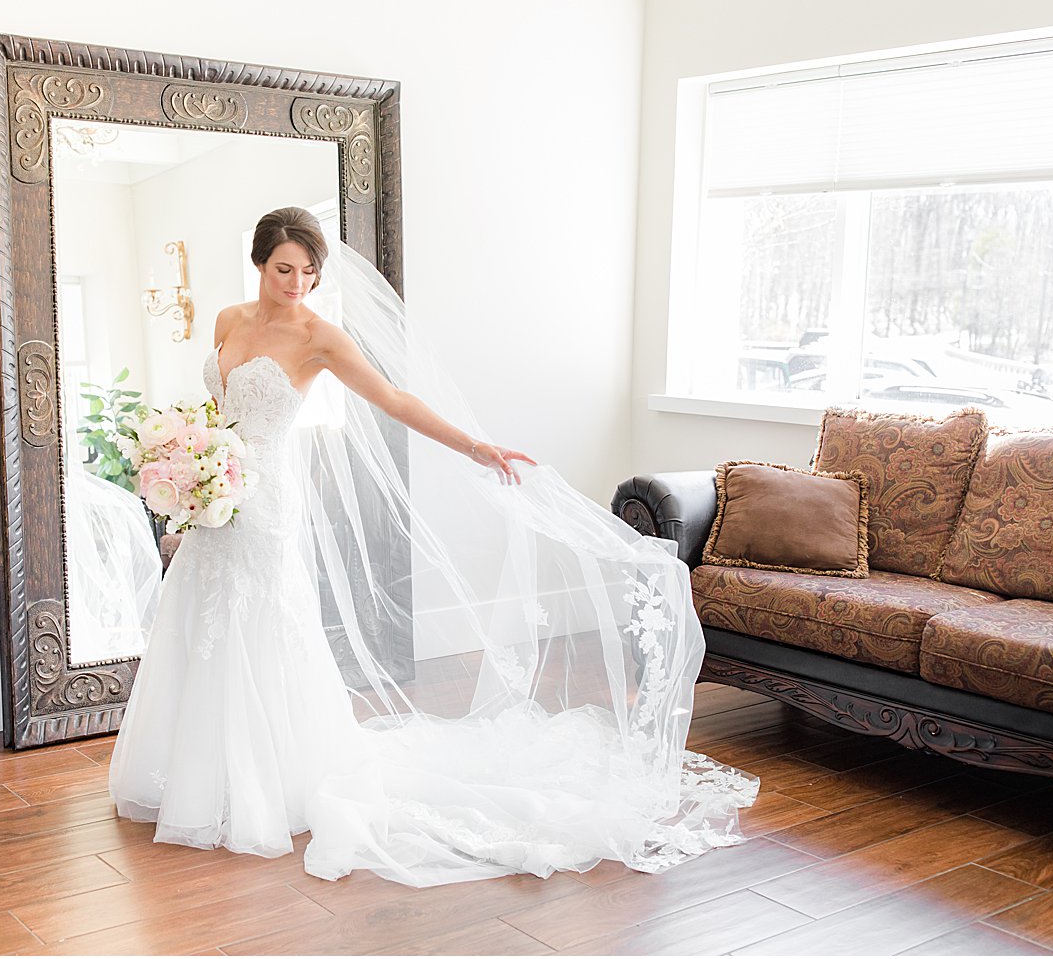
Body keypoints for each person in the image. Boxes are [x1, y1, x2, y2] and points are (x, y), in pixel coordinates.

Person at [107, 207, 758, 887]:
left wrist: (475, 445)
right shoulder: (227, 322)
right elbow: (215, 415)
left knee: (257, 621)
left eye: (308, 271)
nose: (296, 282)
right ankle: (193, 771)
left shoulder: (319, 338)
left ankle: (264, 777)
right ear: (260, 263)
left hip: (265, 501)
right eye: (283, 269)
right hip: (217, 495)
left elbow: (392, 398)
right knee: (202, 616)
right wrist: (189, 464)